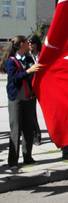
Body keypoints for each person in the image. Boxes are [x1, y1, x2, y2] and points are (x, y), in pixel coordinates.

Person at [0, 36, 43, 170]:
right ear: (22, 44)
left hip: (29, 98)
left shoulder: (29, 59)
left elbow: (33, 77)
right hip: (16, 100)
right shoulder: (11, 61)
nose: (30, 45)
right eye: (27, 43)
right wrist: (28, 71)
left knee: (28, 129)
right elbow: (14, 79)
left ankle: (27, 156)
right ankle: (13, 161)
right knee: (16, 130)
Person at [27, 34, 43, 145]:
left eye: (32, 43)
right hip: (31, 87)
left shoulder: (43, 54)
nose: (30, 45)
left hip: (43, 86)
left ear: (37, 44)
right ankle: (36, 135)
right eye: (28, 43)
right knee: (32, 113)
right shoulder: (27, 56)